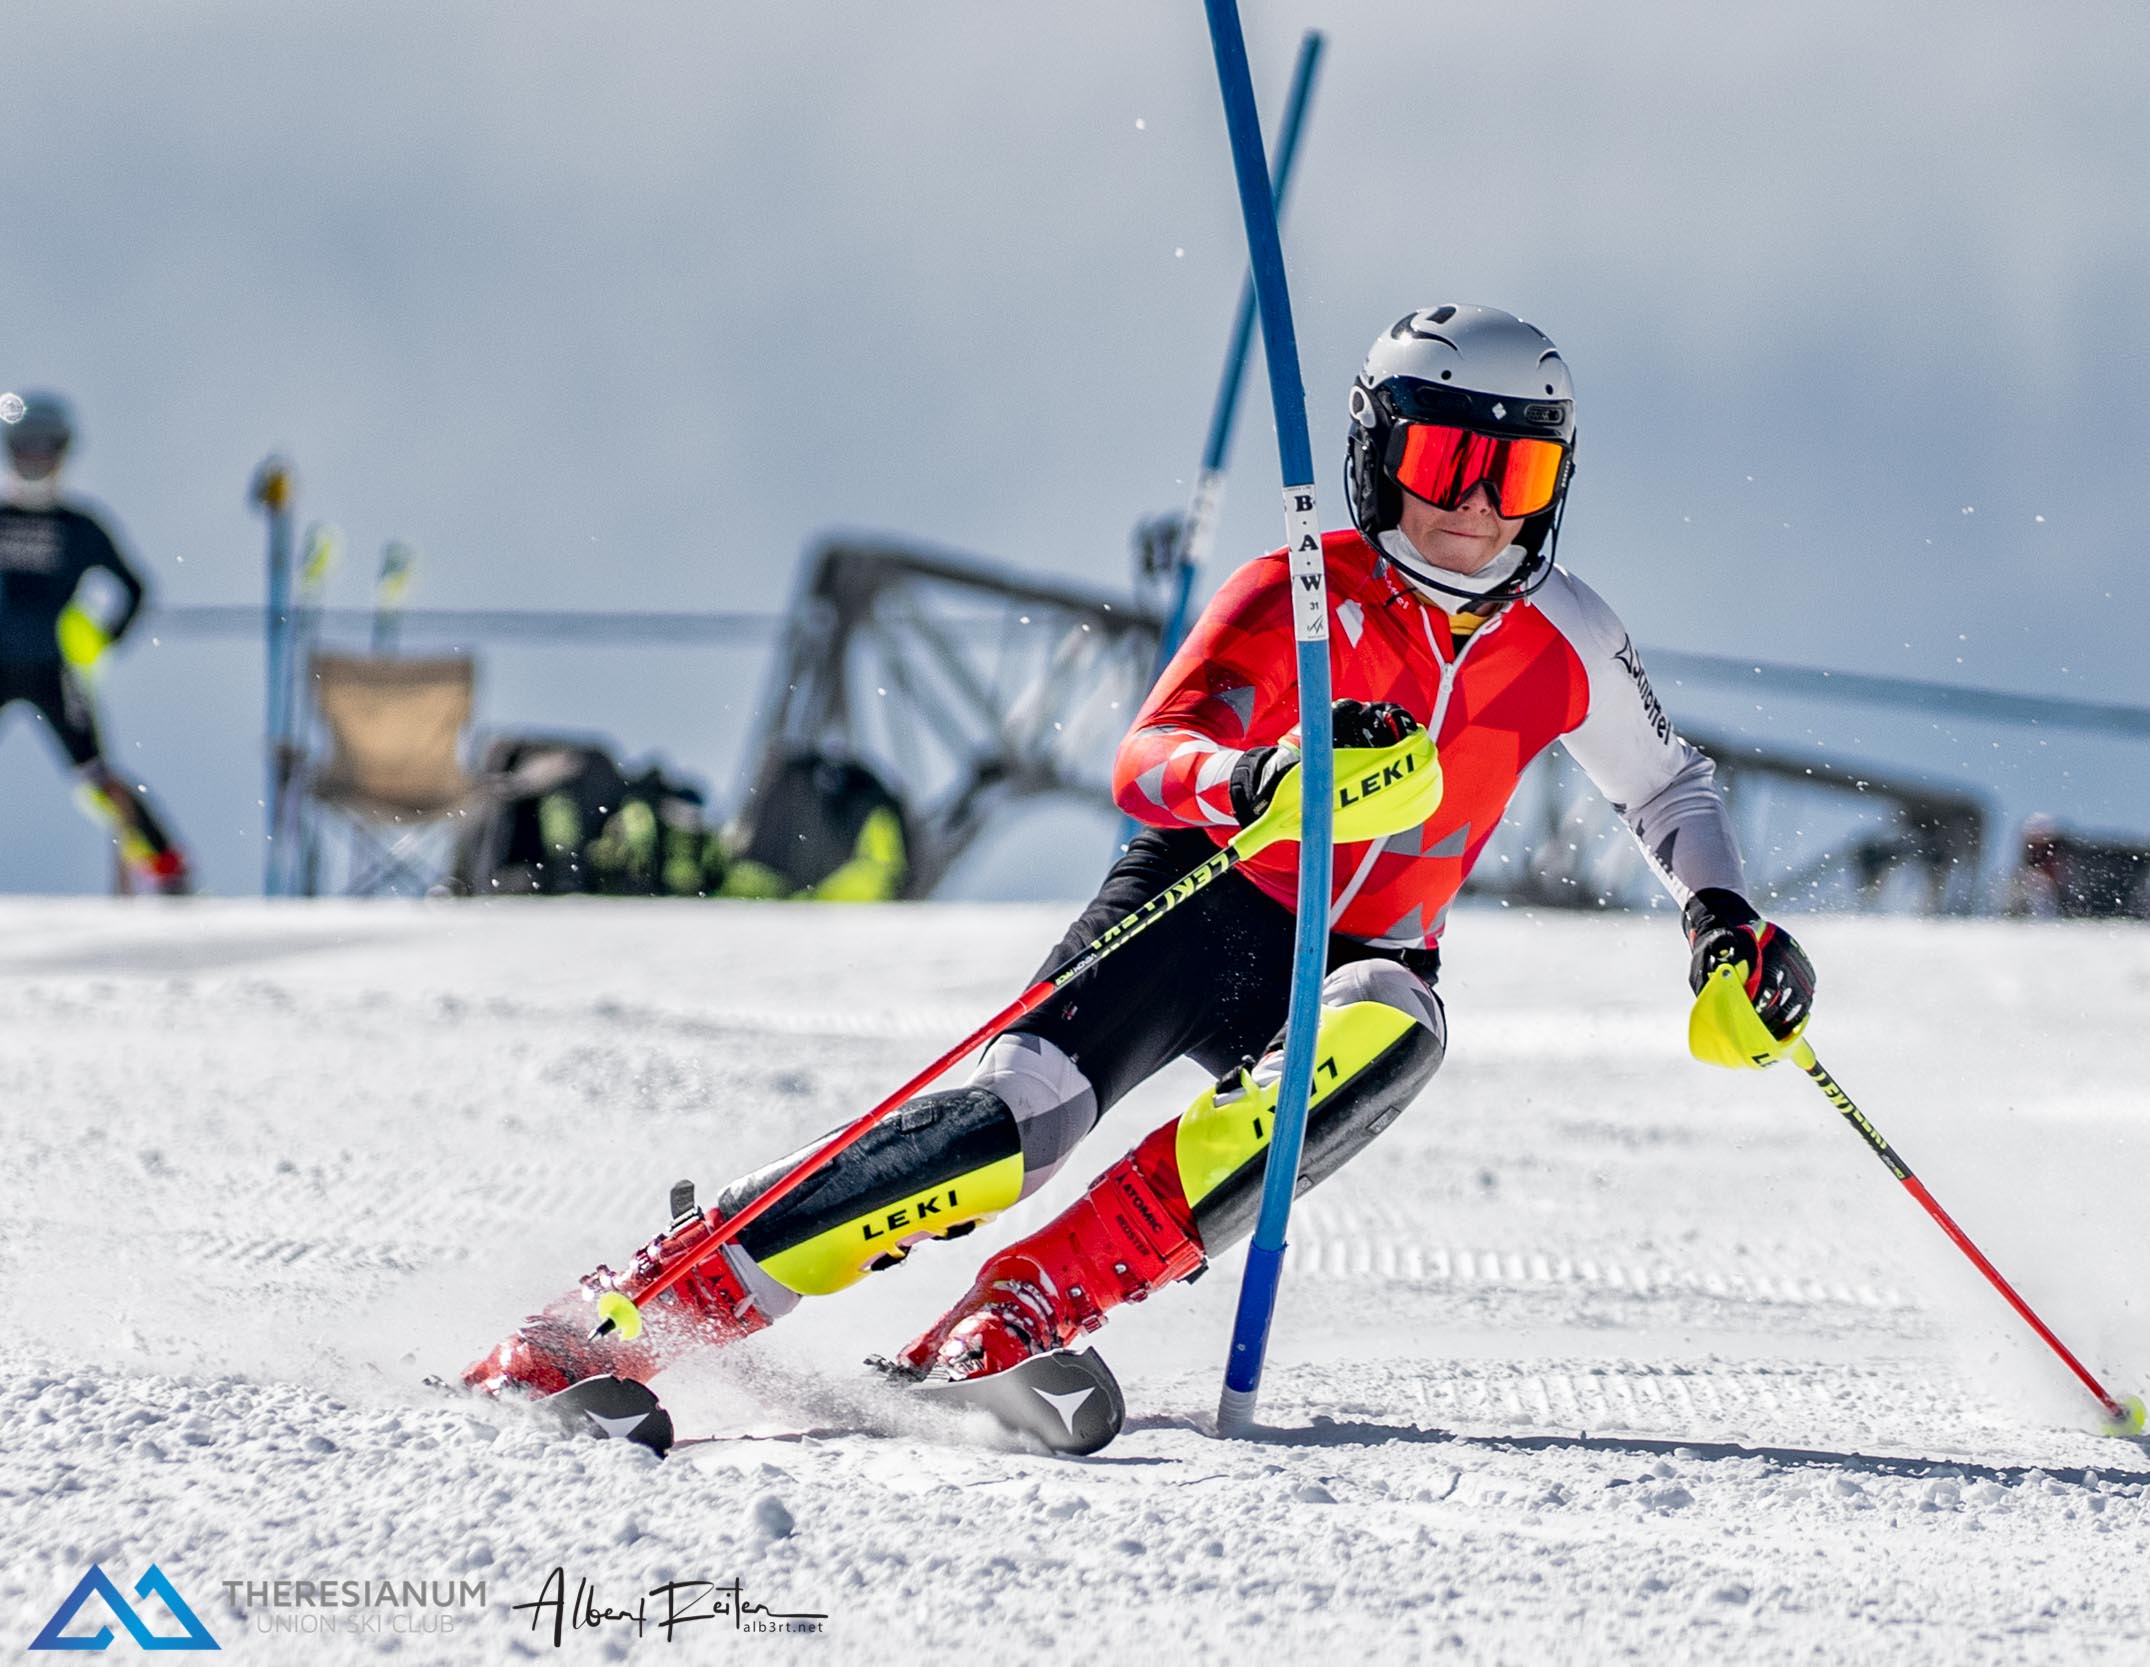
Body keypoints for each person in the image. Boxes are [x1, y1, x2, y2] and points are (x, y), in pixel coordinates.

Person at [464, 305, 1816, 1399]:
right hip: (1202, 896)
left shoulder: (1570, 635)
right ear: (1378, 454)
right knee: (1007, 1129)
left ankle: (1022, 1307)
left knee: (1394, 1025)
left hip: (1356, 957)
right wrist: (1265, 779)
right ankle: (648, 1297)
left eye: (1508, 473)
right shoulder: (1302, 593)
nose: (1472, 505)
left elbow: (1668, 785)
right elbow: (1147, 756)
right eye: (1440, 461)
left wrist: (1722, 920)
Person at [0, 392, 191, 893]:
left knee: (97, 777)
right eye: (25, 446)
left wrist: (105, 640)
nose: (36, 457)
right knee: (98, 776)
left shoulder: (80, 528)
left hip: (52, 671)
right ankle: (169, 868)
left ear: (64, 453)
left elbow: (135, 588)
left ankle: (168, 869)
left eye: (46, 447)